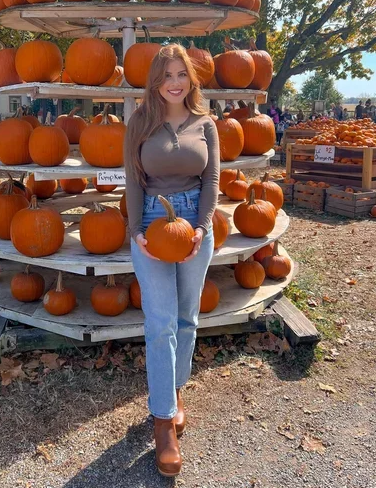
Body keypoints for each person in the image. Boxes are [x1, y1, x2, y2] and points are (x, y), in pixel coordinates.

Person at [124, 44, 219, 477]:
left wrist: (201, 228)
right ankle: (163, 423)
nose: (175, 82)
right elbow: (133, 180)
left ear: (192, 78)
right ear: (155, 81)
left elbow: (212, 178)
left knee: (187, 317)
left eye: (182, 74)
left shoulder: (206, 123)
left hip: (196, 221)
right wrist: (136, 232)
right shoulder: (140, 123)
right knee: (159, 321)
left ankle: (177, 393)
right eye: (167, 75)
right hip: (151, 222)